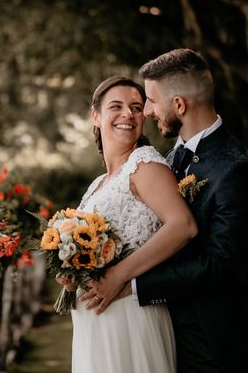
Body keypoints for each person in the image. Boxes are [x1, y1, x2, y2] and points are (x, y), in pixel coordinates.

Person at [85, 48, 248, 372]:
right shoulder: (168, 160)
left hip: (210, 343)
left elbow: (219, 264)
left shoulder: (237, 170)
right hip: (162, 332)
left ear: (179, 105)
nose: (149, 112)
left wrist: (130, 285)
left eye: (151, 102)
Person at [60, 75, 198, 372]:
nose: (128, 114)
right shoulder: (98, 184)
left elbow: (183, 225)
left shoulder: (145, 163)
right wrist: (73, 271)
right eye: (116, 106)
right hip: (94, 323)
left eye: (136, 107)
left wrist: (118, 276)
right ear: (95, 116)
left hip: (129, 317)